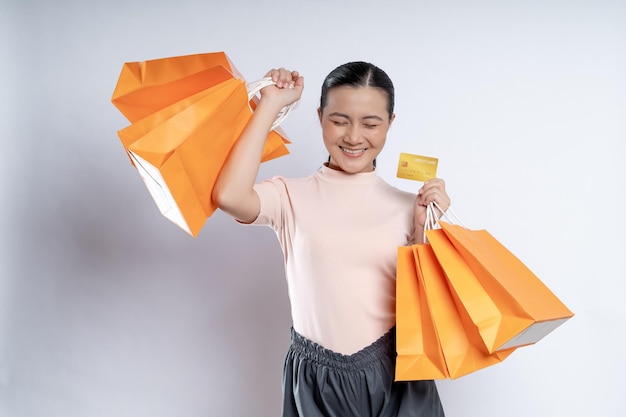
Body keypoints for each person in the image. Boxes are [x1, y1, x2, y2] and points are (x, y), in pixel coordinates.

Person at [213, 62, 450, 417]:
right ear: (320, 116)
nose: (354, 137)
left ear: (390, 123)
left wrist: (424, 228)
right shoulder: (290, 196)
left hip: (398, 374)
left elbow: (431, 313)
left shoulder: (409, 206)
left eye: (370, 123)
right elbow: (229, 195)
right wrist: (270, 105)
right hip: (315, 379)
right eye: (340, 120)